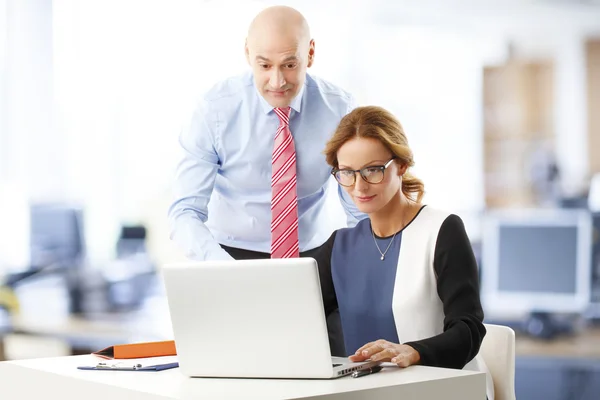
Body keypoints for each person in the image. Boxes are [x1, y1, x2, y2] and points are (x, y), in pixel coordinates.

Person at [167, 6, 362, 355]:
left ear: (310, 54)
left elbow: (359, 208)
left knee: (327, 368)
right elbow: (183, 213)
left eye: (290, 64)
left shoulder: (340, 110)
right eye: (264, 65)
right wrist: (225, 271)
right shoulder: (214, 110)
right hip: (230, 258)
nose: (277, 81)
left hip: (312, 262)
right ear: (247, 54)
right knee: (239, 371)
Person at [316, 105, 494, 399]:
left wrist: (414, 351)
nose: (359, 186)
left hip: (445, 390)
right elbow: (295, 314)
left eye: (372, 170)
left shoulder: (442, 230)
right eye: (347, 173)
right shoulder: (339, 246)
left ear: (400, 165)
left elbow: (469, 330)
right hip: (372, 393)